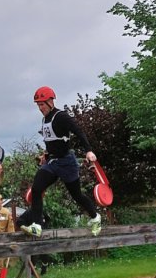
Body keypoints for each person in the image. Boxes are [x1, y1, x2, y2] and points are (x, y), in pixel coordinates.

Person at [20, 86, 101, 238]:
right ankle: (37, 226)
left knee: (76, 195)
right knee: (37, 188)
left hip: (67, 163)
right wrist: (46, 154)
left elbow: (79, 131)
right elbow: (53, 142)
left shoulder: (61, 116)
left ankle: (95, 217)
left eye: (42, 104)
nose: (40, 108)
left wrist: (88, 150)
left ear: (50, 101)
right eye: (38, 105)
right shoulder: (45, 119)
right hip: (53, 162)